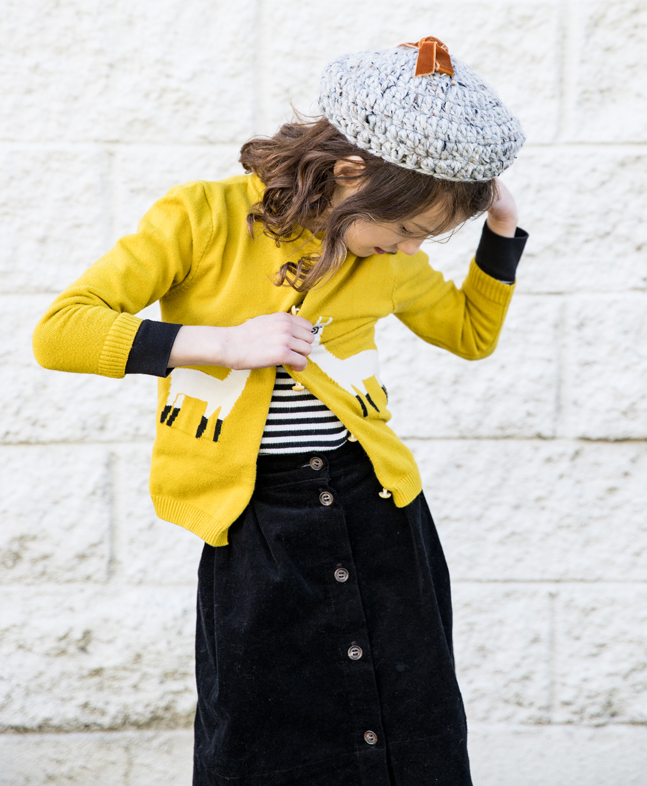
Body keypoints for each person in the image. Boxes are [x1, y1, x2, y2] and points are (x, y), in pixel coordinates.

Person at [33, 38, 528, 786]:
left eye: (421, 239)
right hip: (257, 517)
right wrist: (223, 342)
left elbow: (470, 333)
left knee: (411, 721)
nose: (405, 249)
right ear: (351, 172)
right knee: (262, 734)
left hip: (381, 513)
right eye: (402, 230)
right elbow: (60, 330)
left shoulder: (391, 262)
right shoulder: (200, 217)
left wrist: (498, 237)